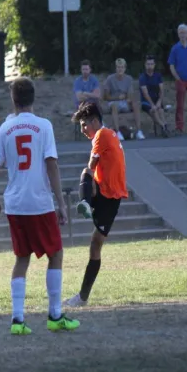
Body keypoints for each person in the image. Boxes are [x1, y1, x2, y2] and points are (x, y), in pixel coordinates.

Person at [0, 77, 80, 335]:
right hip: (39, 202)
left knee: (21, 258)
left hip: (15, 203)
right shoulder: (44, 126)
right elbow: (52, 165)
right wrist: (61, 203)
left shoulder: (5, 129)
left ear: (13, 99)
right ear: (33, 97)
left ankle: (18, 320)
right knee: (56, 253)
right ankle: (55, 315)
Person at [63, 102, 128, 307]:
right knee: (95, 245)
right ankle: (82, 296)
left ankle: (84, 204)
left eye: (83, 125)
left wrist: (89, 188)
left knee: (85, 173)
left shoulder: (101, 135)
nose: (82, 130)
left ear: (94, 121)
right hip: (107, 193)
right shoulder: (110, 134)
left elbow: (91, 167)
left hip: (109, 196)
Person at [103, 58, 145, 141]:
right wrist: (117, 98)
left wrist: (129, 99)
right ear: (116, 68)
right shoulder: (110, 79)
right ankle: (118, 132)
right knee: (114, 106)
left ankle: (139, 131)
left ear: (125, 68)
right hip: (113, 101)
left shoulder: (128, 79)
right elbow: (106, 97)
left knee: (136, 104)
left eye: (122, 67)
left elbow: (130, 94)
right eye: (118, 67)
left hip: (125, 102)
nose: (120, 69)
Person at [139, 55, 169, 138]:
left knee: (161, 110)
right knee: (154, 110)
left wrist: (159, 102)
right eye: (148, 64)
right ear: (145, 65)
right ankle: (163, 126)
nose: (150, 66)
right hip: (146, 101)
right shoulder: (142, 77)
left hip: (156, 100)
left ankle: (164, 127)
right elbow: (145, 93)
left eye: (151, 64)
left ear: (154, 65)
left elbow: (161, 90)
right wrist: (152, 105)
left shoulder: (158, 76)